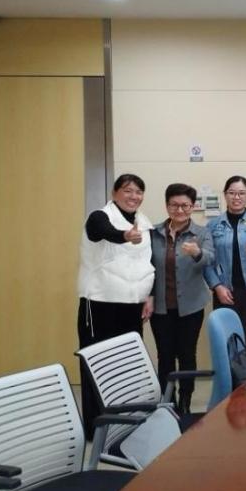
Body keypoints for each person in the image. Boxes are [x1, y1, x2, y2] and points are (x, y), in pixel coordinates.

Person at [76, 173, 155, 432]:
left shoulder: (144, 222)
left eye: (139, 192)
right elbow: (105, 232)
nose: (134, 196)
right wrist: (125, 236)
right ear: (114, 193)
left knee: (127, 365)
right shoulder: (99, 217)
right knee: (98, 364)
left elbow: (146, 263)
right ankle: (96, 426)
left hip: (131, 305)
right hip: (100, 304)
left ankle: (123, 425)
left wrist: (148, 295)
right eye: (128, 190)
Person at [149, 183, 214, 415]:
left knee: (187, 354)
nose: (179, 210)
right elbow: (145, 266)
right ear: (167, 206)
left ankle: (186, 400)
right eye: (174, 205)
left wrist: (197, 252)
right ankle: (169, 402)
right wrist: (148, 296)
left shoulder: (201, 233)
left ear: (192, 207)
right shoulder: (154, 232)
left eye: (185, 205)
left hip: (191, 306)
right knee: (165, 355)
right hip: (161, 307)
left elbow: (210, 258)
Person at [204, 176, 246, 361]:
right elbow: (207, 261)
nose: (237, 197)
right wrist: (217, 286)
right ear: (225, 195)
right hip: (225, 292)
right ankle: (233, 381)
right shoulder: (213, 225)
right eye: (232, 193)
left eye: (242, 193)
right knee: (229, 345)